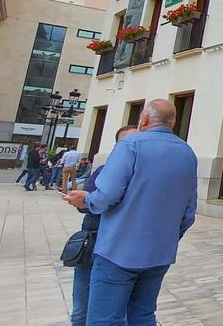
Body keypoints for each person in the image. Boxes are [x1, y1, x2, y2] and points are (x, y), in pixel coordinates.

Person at [63, 100, 197, 326]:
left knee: (105, 319)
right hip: (160, 254)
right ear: (173, 122)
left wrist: (87, 200)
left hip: (118, 250)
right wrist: (167, 238)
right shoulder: (187, 152)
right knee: (143, 316)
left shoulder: (131, 145)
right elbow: (189, 212)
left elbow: (106, 194)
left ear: (144, 119)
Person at [70, 125, 138, 326]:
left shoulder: (145, 176)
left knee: (117, 313)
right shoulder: (102, 171)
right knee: (81, 310)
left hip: (121, 252)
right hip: (93, 244)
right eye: (124, 143)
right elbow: (85, 206)